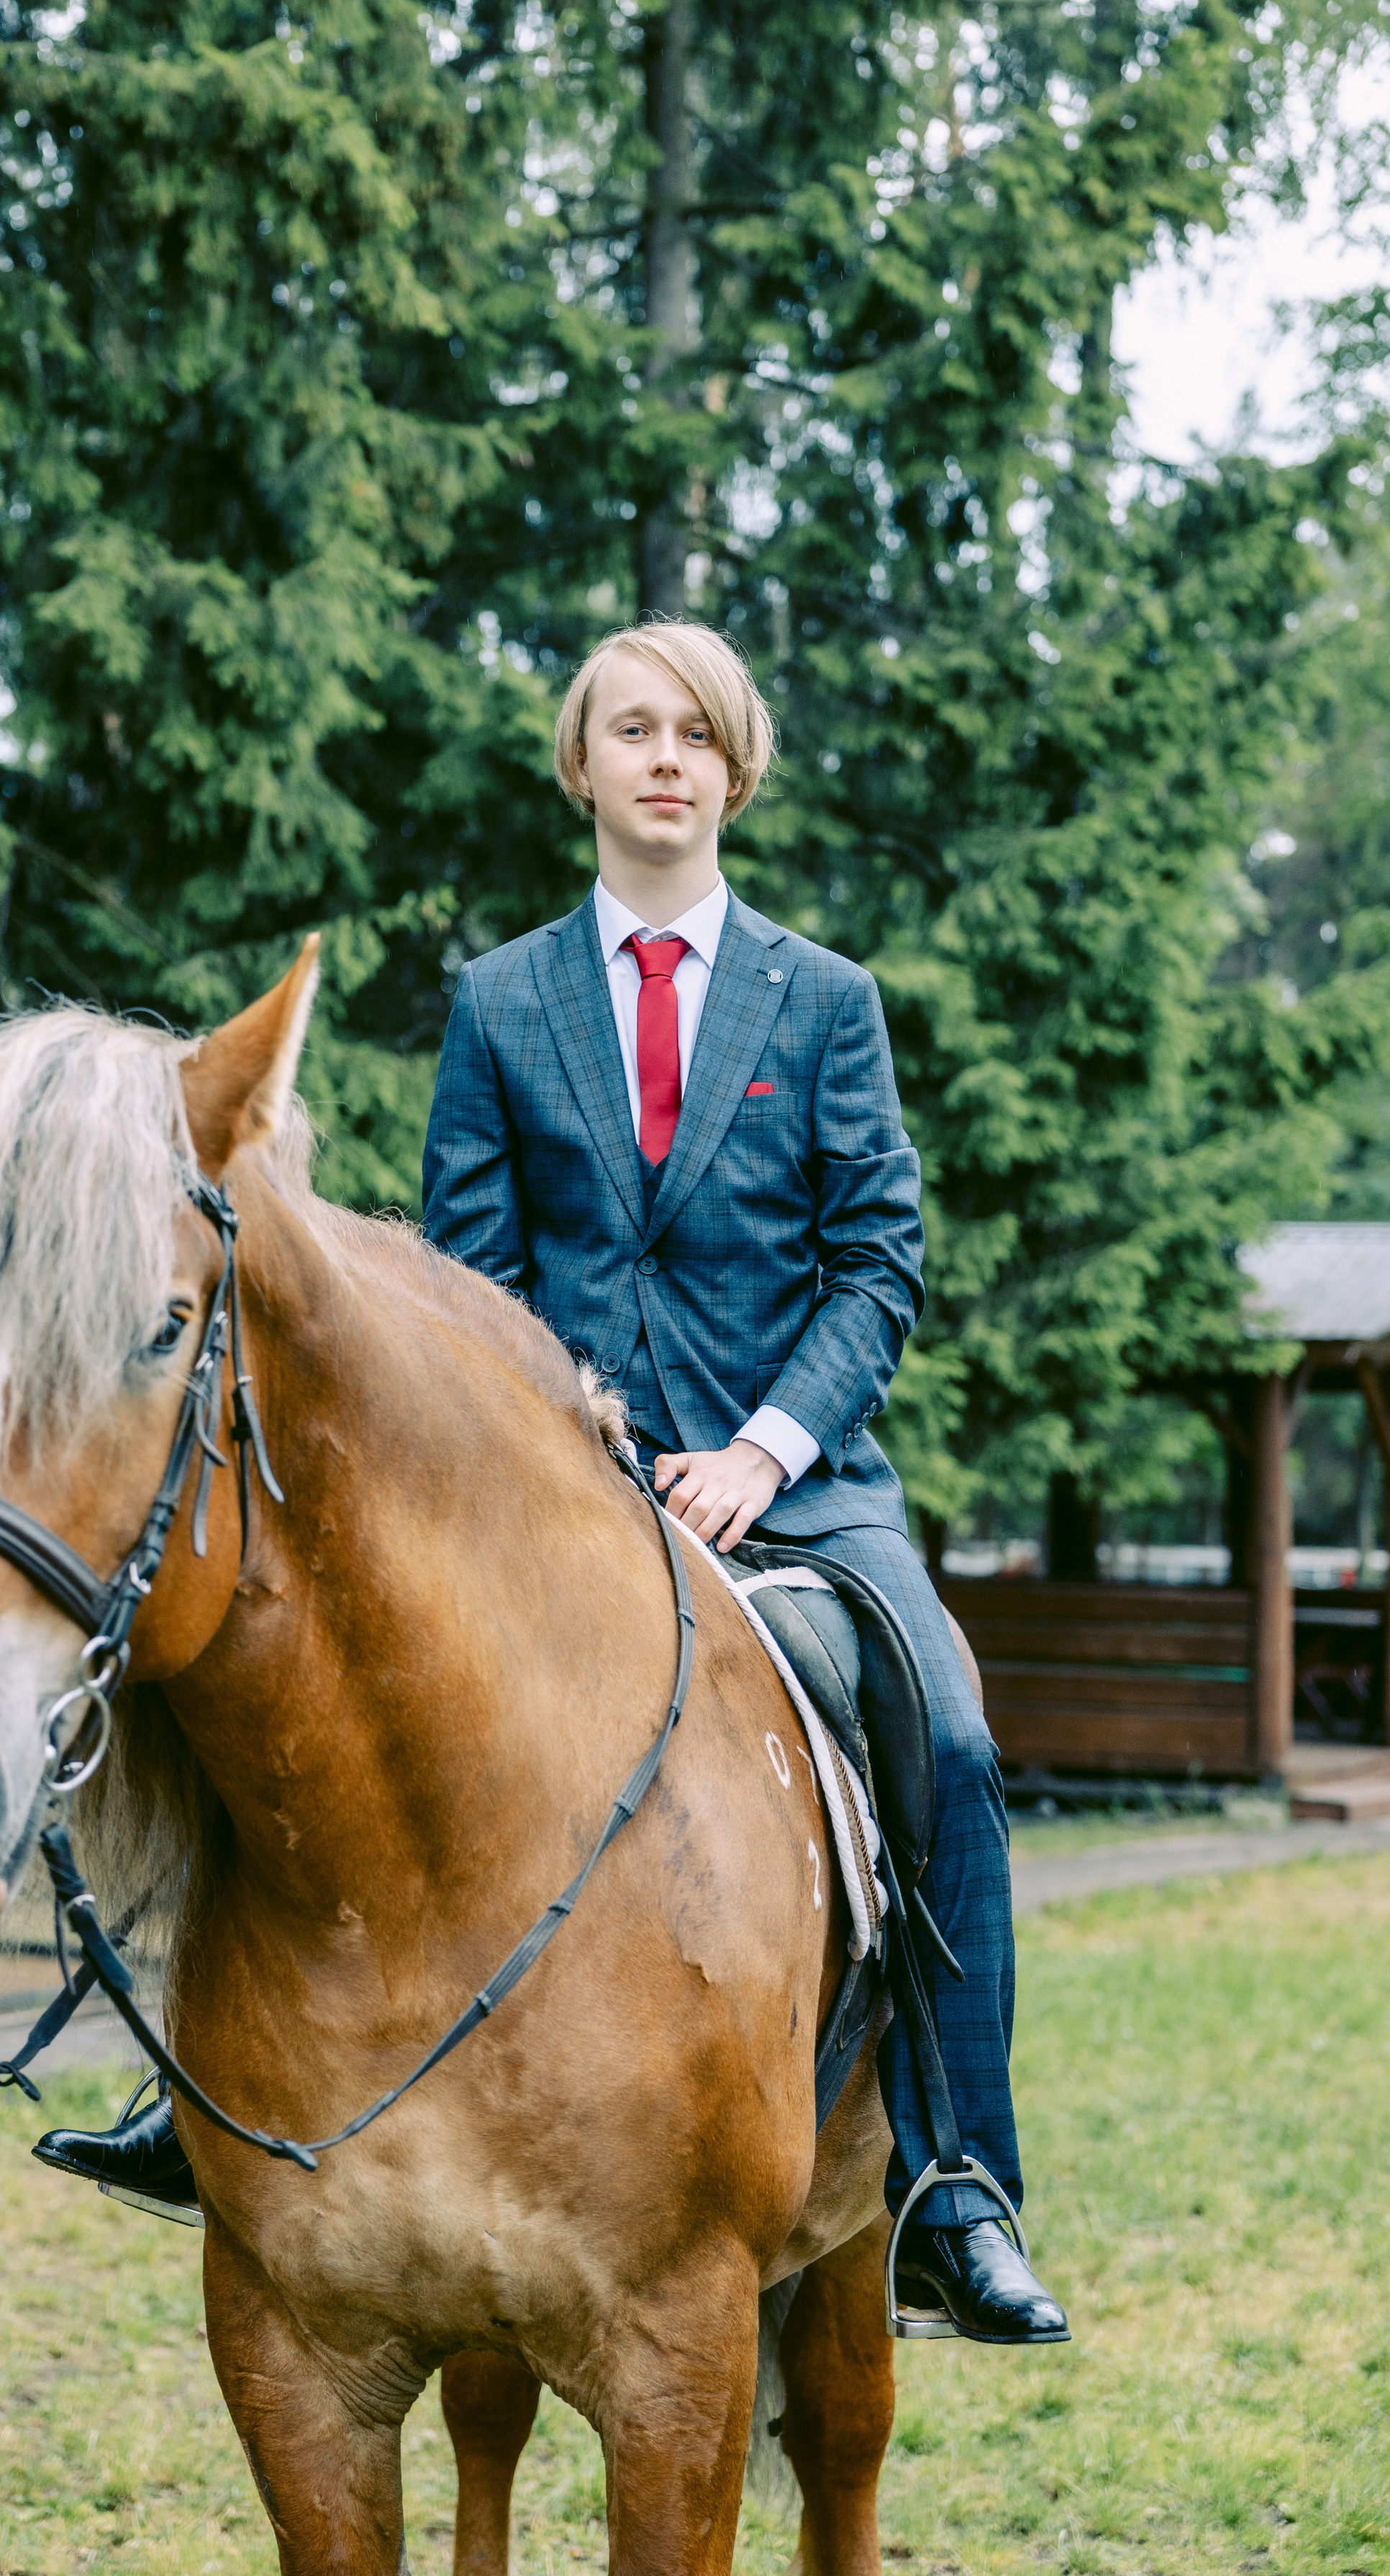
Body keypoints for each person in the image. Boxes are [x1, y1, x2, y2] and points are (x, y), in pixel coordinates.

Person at [417, 620, 1067, 2347]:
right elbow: (468, 1275)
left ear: (734, 769)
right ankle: (210, 2112)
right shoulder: (493, 1003)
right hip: (557, 1485)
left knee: (948, 1727)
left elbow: (875, 1265)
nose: (663, 758)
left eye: (695, 733)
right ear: (580, 765)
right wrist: (584, 1435)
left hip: (802, 1483)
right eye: (630, 728)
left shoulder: (825, 1000)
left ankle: (952, 2189)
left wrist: (761, 1447)